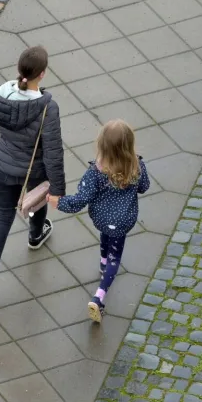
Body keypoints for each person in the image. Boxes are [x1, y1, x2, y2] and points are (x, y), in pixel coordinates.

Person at [0, 46, 66, 301]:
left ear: (20, 70)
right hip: (33, 169)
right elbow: (53, 152)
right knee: (37, 203)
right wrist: (58, 189)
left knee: (2, 218)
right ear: (43, 74)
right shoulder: (48, 108)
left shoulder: (1, 95)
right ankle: (36, 235)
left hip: (3, 167)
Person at [49, 120, 150, 323]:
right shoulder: (136, 166)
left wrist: (58, 202)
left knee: (106, 236)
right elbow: (144, 187)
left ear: (102, 145)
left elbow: (79, 200)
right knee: (116, 255)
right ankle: (101, 290)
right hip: (123, 221)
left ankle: (101, 277)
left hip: (102, 219)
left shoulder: (96, 172)